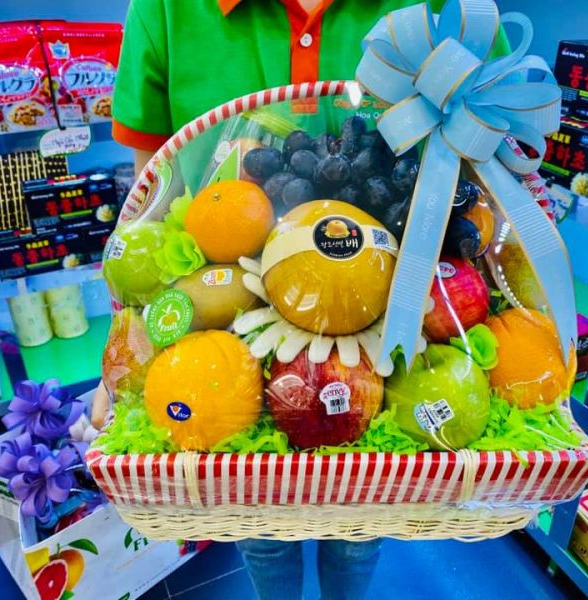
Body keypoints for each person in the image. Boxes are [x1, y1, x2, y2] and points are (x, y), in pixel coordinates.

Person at [98, 1, 510, 598]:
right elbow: (151, 199)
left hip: (398, 317)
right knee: (257, 522)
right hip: (231, 326)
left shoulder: (451, 10)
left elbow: (494, 181)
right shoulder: (166, 9)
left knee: (364, 520)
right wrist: (127, 341)